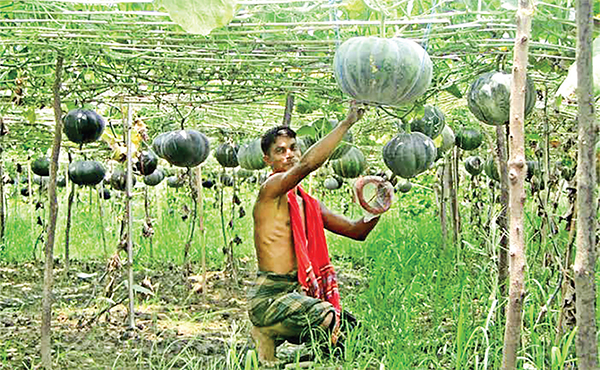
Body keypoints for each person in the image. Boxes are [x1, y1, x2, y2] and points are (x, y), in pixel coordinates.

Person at [248, 101, 387, 365]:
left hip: (294, 294)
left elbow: (357, 231)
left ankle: (289, 356)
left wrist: (377, 206)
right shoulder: (270, 191)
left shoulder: (307, 203)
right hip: (270, 297)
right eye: (280, 151)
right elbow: (306, 167)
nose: (289, 155)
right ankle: (266, 331)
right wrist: (347, 123)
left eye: (292, 148)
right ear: (268, 160)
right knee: (327, 318)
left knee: (352, 332)